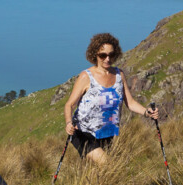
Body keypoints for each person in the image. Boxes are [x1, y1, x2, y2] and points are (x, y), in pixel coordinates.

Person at [64, 33, 159, 164]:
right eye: (103, 55)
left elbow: (130, 103)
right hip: (83, 132)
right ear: (95, 55)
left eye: (111, 55)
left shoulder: (119, 75)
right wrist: (68, 123)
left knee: (98, 172)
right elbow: (69, 104)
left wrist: (147, 112)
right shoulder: (86, 76)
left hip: (108, 133)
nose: (107, 59)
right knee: (108, 164)